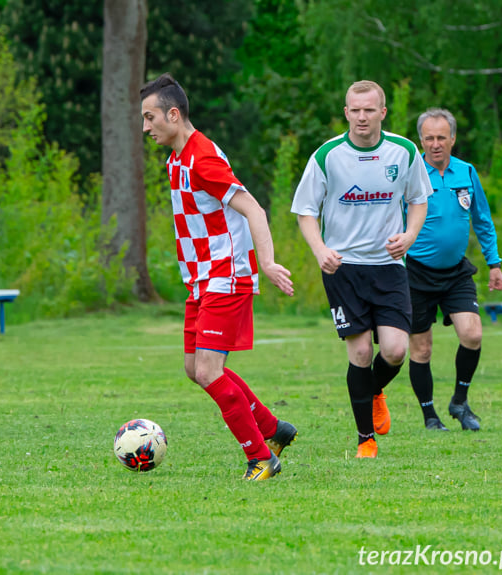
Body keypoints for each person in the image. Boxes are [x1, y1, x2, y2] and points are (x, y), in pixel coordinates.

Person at [140, 73, 297, 481]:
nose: (145, 127)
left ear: (173, 114)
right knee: (196, 369)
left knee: (210, 371)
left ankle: (261, 458)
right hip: (203, 280)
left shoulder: (202, 157)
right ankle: (273, 428)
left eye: (150, 117)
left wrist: (267, 262)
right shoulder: (179, 156)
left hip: (225, 278)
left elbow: (254, 210)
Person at [291, 80, 432, 458]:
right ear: (346, 113)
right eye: (355, 110)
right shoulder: (327, 155)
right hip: (344, 269)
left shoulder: (403, 151)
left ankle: (374, 390)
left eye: (369, 110)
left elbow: (419, 200)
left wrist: (410, 235)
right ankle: (365, 439)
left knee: (396, 350)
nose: (362, 117)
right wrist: (320, 249)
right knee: (359, 356)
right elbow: (306, 210)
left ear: (382, 113)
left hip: (388, 267)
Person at [406, 108, 502, 432]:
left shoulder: (467, 172)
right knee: (422, 348)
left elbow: (483, 220)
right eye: (429, 138)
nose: (436, 144)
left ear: (453, 138)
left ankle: (459, 402)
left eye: (441, 137)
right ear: (421, 140)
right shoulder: (410, 173)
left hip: (456, 272)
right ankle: (430, 416)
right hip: (416, 273)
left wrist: (494, 263)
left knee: (473, 334)